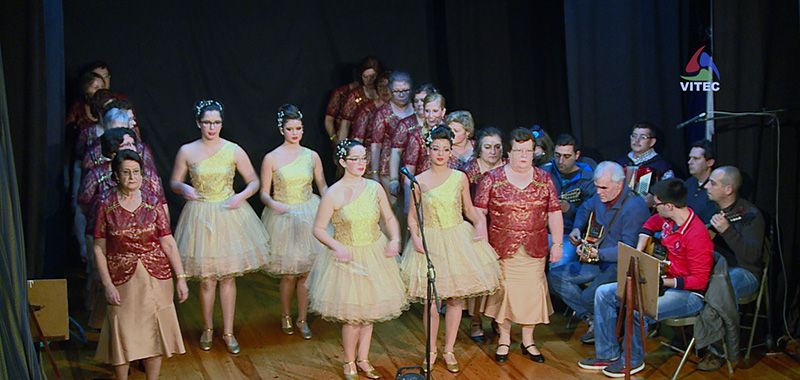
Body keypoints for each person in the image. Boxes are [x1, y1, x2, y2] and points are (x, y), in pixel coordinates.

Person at [578, 178, 713, 377]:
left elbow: (699, 281)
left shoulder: (696, 234)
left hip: (687, 294)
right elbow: (650, 224)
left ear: (669, 206)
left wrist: (662, 282)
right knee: (603, 293)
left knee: (637, 306)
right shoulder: (668, 219)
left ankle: (633, 360)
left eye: (656, 204)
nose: (653, 207)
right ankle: (607, 353)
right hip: (663, 280)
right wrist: (639, 249)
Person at [170, 100, 270, 354]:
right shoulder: (187, 151)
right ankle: (207, 328)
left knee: (227, 277)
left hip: (228, 213)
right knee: (206, 280)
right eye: (207, 122)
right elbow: (174, 182)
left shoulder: (233, 149)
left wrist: (241, 196)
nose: (212, 127)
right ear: (198, 123)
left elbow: (254, 181)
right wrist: (184, 187)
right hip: (201, 215)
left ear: (222, 124)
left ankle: (227, 331)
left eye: (216, 122)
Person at [399, 126, 500, 373]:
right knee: (432, 301)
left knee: (455, 299)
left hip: (456, 238)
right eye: (436, 149)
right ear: (429, 150)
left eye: (446, 149)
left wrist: (479, 224)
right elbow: (412, 216)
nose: (441, 154)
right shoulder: (419, 181)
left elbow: (468, 209)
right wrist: (415, 236)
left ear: (451, 151)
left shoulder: (459, 177)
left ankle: (449, 350)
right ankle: (431, 350)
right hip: (431, 240)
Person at [306, 139, 408, 380]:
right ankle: (349, 361)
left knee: (369, 311)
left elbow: (390, 218)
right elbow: (319, 229)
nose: (362, 163)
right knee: (353, 316)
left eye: (364, 158)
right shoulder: (333, 193)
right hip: (348, 257)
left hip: (374, 251)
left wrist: (394, 239)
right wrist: (336, 246)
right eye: (356, 159)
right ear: (343, 161)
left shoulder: (374, 188)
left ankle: (363, 358)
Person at [93, 149, 188, 380]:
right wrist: (107, 284)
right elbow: (99, 247)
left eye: (136, 172)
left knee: (154, 332)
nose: (132, 177)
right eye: (126, 172)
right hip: (121, 278)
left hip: (155, 276)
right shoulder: (106, 206)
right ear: (116, 175)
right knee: (123, 332)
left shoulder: (153, 203)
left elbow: (167, 241)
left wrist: (181, 278)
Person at [474, 128, 564, 364]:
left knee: (532, 293)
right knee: (505, 294)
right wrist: (482, 245)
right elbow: (479, 213)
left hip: (534, 248)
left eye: (528, 151)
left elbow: (554, 212)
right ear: (509, 152)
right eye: (518, 151)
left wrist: (558, 244)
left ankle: (528, 340)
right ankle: (504, 339)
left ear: (534, 152)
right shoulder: (492, 178)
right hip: (501, 248)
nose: (523, 156)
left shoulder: (544, 179)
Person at [548, 161, 649, 344]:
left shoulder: (634, 207)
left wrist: (597, 254)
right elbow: (586, 207)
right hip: (598, 259)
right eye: (596, 187)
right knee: (556, 276)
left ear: (619, 185)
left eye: (603, 187)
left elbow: (629, 250)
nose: (599, 192)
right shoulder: (600, 196)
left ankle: (605, 328)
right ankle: (593, 320)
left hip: (618, 265)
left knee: (590, 296)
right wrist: (577, 228)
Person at [260, 104, 328, 340]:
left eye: (298, 128)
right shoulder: (272, 158)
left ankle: (302, 318)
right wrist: (274, 204)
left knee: (306, 273)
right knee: (289, 274)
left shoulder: (311, 156)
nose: (295, 133)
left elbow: (322, 186)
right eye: (290, 129)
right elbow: (264, 193)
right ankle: (286, 315)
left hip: (308, 211)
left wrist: (333, 202)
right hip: (284, 216)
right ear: (282, 130)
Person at [697, 166, 766, 370]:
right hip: (717, 270)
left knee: (718, 293)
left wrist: (727, 231)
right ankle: (697, 340)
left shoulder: (751, 214)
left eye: (713, 183)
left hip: (745, 272)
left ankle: (718, 352)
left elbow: (752, 257)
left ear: (728, 189)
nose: (707, 186)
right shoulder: (711, 209)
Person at [456, 126, 505, 341]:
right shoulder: (469, 170)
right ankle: (476, 321)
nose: (492, 151)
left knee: (500, 277)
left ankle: (497, 319)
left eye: (497, 147)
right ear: (479, 148)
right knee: (479, 276)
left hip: (502, 228)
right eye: (487, 147)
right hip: (475, 226)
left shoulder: (507, 168)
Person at [540, 133, 596, 268]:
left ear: (577, 155)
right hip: (542, 231)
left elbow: (591, 215)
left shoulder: (588, 178)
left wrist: (569, 209)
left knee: (558, 266)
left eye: (566, 156)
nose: (560, 161)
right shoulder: (544, 171)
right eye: (557, 155)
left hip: (569, 234)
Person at [615, 122, 674, 201]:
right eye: (634, 136)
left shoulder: (662, 166)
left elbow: (670, 195)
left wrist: (653, 200)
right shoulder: (619, 163)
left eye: (643, 137)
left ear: (652, 142)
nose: (636, 140)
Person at [337, 57, 383, 142]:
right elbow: (345, 124)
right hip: (360, 140)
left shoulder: (385, 93)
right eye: (365, 77)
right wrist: (341, 147)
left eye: (372, 76)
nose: (369, 80)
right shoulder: (354, 95)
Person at [350, 71, 392, 145]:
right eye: (381, 86)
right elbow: (358, 139)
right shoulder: (367, 110)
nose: (385, 90)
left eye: (388, 86)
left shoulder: (403, 108)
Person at [685, 140, 718, 223]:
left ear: (710, 162)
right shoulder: (688, 183)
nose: (689, 162)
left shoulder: (718, 188)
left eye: (696, 159)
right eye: (690, 158)